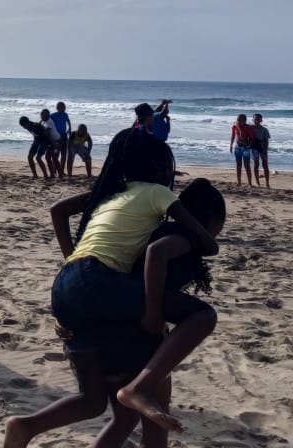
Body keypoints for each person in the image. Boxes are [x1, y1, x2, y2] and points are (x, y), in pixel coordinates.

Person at [6, 177, 225, 448]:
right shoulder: (182, 235)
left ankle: (28, 426)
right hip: (137, 334)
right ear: (213, 220)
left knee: (121, 418)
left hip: (101, 327)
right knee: (155, 421)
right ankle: (139, 388)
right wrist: (155, 317)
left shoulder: (145, 228)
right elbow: (155, 265)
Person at [41, 128, 219, 435]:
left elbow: (58, 210)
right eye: (168, 167)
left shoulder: (111, 194)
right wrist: (208, 244)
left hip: (67, 285)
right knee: (203, 315)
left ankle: (24, 427)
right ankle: (141, 387)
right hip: (101, 292)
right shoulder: (158, 197)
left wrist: (73, 260)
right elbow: (165, 251)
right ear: (158, 169)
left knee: (106, 410)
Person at [20, 115, 52, 179]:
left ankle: (45, 175)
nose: (24, 128)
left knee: (38, 158)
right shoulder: (28, 126)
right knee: (29, 157)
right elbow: (35, 134)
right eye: (22, 126)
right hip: (36, 141)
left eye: (24, 126)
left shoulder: (36, 126)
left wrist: (50, 145)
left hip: (44, 142)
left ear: (27, 122)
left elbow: (46, 134)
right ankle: (35, 175)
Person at [229, 114, 255, 187]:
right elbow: (233, 136)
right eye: (238, 119)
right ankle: (239, 182)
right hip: (237, 148)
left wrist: (248, 144)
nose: (239, 121)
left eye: (241, 120)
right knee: (238, 165)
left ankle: (249, 183)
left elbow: (252, 139)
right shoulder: (234, 126)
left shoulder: (248, 128)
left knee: (247, 165)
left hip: (246, 148)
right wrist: (231, 145)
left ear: (245, 120)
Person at [250, 113, 271, 189]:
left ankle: (267, 183)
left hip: (262, 149)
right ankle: (257, 182)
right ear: (253, 120)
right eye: (255, 119)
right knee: (256, 165)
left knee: (265, 165)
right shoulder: (250, 128)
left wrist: (265, 150)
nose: (257, 120)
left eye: (258, 119)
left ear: (261, 120)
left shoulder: (264, 130)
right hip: (254, 148)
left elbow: (266, 141)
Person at [51, 102, 72, 173]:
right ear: (57, 108)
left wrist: (69, 129)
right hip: (57, 136)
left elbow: (68, 121)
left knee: (64, 154)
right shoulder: (53, 115)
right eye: (60, 108)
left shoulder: (65, 114)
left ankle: (61, 171)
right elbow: (45, 120)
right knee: (56, 154)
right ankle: (54, 170)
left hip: (64, 135)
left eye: (63, 108)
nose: (62, 109)